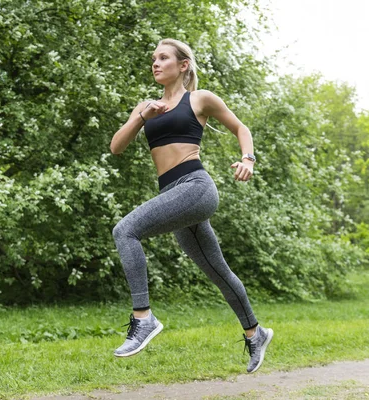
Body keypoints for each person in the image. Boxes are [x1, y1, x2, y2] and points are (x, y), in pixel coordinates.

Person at [109, 38, 273, 373]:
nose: (156, 63)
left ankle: (143, 318)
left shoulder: (200, 99)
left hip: (196, 188)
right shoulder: (146, 106)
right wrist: (141, 115)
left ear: (183, 65)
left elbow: (241, 128)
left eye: (164, 58)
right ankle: (256, 333)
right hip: (174, 194)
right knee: (217, 271)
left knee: (125, 230)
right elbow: (116, 147)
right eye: (153, 58)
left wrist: (248, 159)